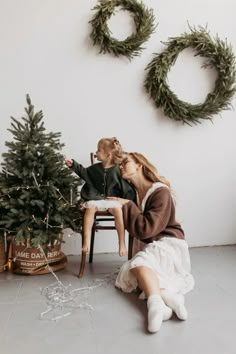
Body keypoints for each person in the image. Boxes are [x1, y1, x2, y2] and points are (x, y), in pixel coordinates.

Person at [107, 153, 194, 333]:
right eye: (120, 164)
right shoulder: (137, 195)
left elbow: (147, 229)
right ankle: (167, 298)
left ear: (140, 165)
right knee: (131, 271)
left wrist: (127, 205)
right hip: (154, 245)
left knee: (138, 265)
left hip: (169, 243)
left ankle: (154, 305)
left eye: (126, 162)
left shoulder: (160, 191)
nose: (121, 166)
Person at [65, 137, 135, 257]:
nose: (96, 153)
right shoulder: (95, 168)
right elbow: (84, 173)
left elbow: (125, 186)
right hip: (96, 199)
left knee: (118, 211)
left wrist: (127, 200)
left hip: (112, 199)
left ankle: (122, 242)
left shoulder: (117, 170)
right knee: (89, 209)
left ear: (108, 154)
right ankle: (86, 241)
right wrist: (73, 165)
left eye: (99, 150)